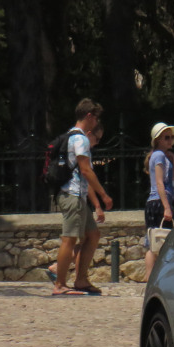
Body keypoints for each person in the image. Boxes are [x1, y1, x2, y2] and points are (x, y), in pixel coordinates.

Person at [51, 100, 114, 296]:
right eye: (96, 117)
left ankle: (81, 280)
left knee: (93, 234)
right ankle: (60, 284)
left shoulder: (72, 136)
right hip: (73, 194)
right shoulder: (81, 139)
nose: (97, 121)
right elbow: (86, 171)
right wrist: (103, 195)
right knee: (69, 239)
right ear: (89, 116)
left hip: (76, 195)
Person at [144, 121, 174, 277]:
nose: (170, 140)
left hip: (161, 200)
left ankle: (152, 275)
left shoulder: (163, 156)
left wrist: (173, 162)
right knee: (156, 240)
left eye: (171, 137)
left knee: (156, 239)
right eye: (166, 137)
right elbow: (160, 182)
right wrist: (166, 207)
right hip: (159, 201)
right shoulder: (158, 155)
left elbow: (171, 181)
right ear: (158, 140)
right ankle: (150, 275)